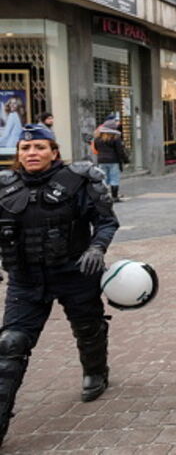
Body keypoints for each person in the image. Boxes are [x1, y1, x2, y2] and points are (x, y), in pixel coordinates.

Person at [0, 125, 119, 446]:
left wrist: (97, 248)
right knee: (10, 343)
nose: (32, 153)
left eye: (39, 147)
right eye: (25, 149)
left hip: (75, 273)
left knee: (88, 328)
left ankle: (96, 372)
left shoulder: (79, 180)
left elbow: (106, 221)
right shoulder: (5, 186)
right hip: (25, 281)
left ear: (54, 152)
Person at [93, 119, 130, 202]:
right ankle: (114, 197)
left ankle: (103, 196)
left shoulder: (97, 139)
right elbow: (120, 151)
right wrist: (126, 160)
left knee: (103, 179)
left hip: (101, 161)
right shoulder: (115, 139)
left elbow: (96, 148)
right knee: (114, 178)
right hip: (114, 161)